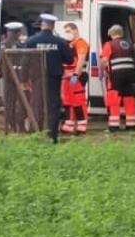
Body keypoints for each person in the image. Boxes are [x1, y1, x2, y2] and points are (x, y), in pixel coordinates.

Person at [23, 14, 76, 143]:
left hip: (37, 78)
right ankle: (52, 136)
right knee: (53, 107)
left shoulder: (31, 41)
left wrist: (24, 78)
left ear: (42, 25)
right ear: (52, 26)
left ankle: (36, 135)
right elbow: (69, 60)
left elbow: (25, 61)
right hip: (54, 79)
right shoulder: (60, 42)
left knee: (37, 105)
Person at [99, 23, 135, 132]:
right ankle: (131, 126)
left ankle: (113, 127)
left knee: (114, 100)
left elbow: (104, 61)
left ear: (112, 34)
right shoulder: (129, 45)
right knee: (129, 100)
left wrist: (101, 70)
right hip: (130, 76)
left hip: (116, 76)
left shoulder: (109, 44)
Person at [60, 22, 91, 135]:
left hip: (76, 77)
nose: (67, 34)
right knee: (68, 102)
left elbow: (81, 60)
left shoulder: (81, 43)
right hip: (66, 78)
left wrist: (75, 76)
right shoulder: (69, 44)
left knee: (78, 102)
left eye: (68, 31)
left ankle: (82, 125)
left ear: (75, 30)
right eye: (65, 32)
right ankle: (69, 125)